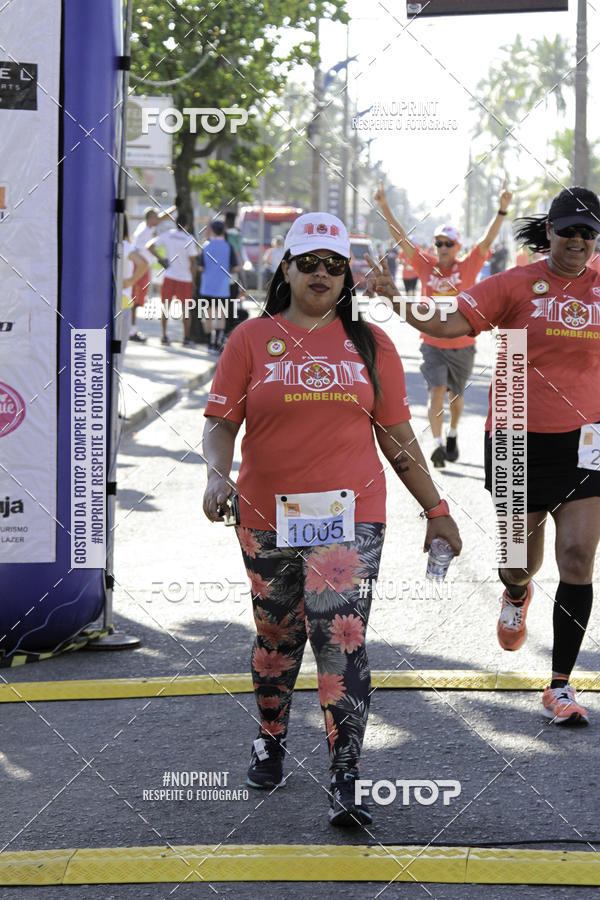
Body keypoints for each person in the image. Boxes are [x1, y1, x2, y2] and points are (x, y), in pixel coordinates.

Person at [202, 212, 461, 827]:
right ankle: (270, 736)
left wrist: (438, 508)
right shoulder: (250, 340)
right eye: (309, 262)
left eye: (334, 264)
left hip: (351, 515)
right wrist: (218, 473)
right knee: (278, 634)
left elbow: (398, 438)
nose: (321, 273)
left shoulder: (371, 346)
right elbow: (219, 422)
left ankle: (346, 778)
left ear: (348, 274)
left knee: (338, 636)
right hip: (265, 511)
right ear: (285, 268)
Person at [367, 186, 600, 726]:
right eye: (568, 230)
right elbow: (449, 324)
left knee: (578, 558)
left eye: (588, 232)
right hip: (517, 436)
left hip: (585, 441)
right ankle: (515, 594)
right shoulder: (515, 285)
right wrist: (395, 300)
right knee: (520, 561)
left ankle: (560, 685)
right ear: (550, 233)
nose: (578, 240)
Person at [375, 180, 512, 468]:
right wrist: (385, 206)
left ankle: (452, 433)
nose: (442, 247)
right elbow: (402, 239)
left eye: (448, 243)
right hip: (432, 343)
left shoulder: (468, 265)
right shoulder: (426, 266)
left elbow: (486, 241)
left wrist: (501, 211)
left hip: (463, 344)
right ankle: (437, 445)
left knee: (455, 396)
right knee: (436, 390)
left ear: (457, 246)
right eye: (438, 243)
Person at [147, 213, 197, 346]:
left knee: (165, 307)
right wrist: (194, 280)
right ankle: (186, 338)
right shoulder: (189, 238)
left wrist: (161, 259)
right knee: (186, 310)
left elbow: (149, 246)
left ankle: (164, 336)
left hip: (169, 275)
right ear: (187, 225)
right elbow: (192, 262)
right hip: (185, 278)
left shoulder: (168, 234)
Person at [131, 204, 177, 342]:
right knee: (134, 300)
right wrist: (160, 258)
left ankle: (132, 329)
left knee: (138, 301)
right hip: (139, 267)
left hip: (143, 268)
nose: (159, 219)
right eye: (156, 217)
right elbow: (142, 251)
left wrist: (175, 207)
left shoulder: (147, 226)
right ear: (151, 218)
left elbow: (163, 217)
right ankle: (131, 331)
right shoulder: (144, 231)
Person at [197, 219, 239, 353]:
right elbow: (236, 267)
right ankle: (218, 342)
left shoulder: (206, 247)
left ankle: (209, 342)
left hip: (207, 287)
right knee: (221, 316)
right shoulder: (228, 247)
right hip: (222, 288)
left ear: (213, 231)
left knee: (208, 316)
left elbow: (200, 267)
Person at [120, 217, 149, 357]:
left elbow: (143, 263)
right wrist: (130, 281)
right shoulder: (124, 245)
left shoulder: (122, 245)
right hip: (122, 302)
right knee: (118, 354)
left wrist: (130, 281)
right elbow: (143, 263)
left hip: (111, 302)